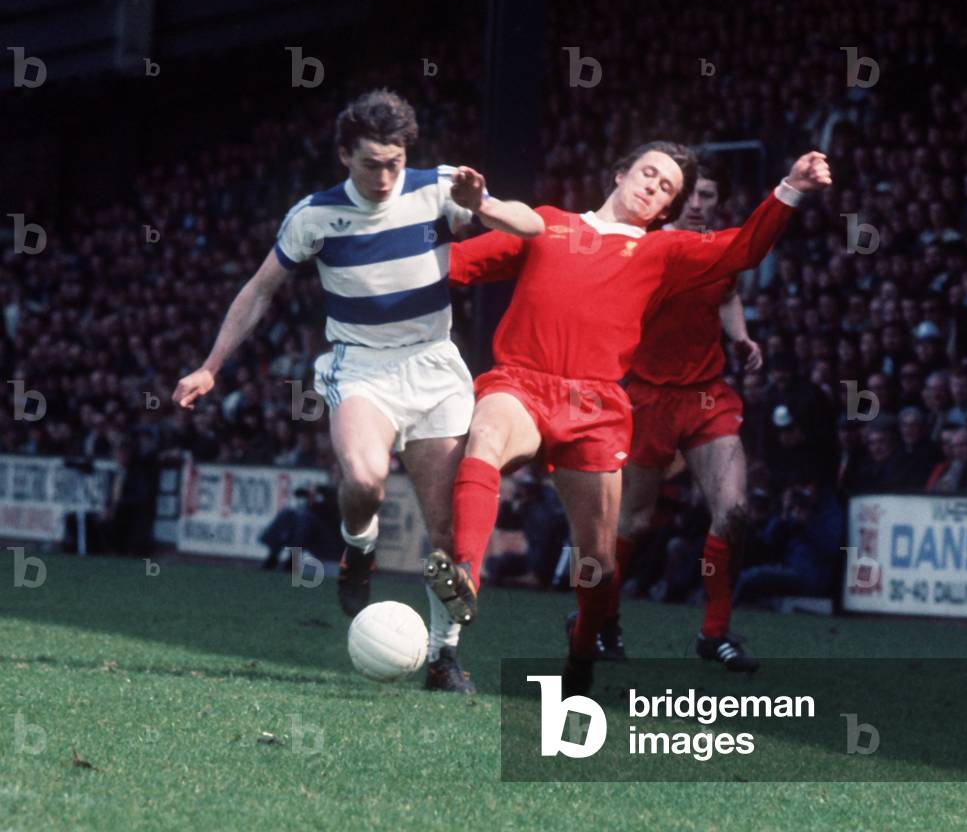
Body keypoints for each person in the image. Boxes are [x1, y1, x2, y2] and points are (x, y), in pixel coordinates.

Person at [172, 89, 543, 694]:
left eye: (394, 162)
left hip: (432, 366)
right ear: (345, 155)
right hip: (361, 366)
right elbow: (260, 290)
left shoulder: (440, 186)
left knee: (447, 532)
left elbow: (532, 228)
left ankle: (443, 657)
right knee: (366, 478)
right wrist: (212, 365)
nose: (384, 175)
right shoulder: (314, 217)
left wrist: (485, 208)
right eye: (371, 163)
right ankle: (358, 547)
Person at [440, 143, 830, 693]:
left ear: (667, 209)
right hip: (523, 381)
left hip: (597, 409)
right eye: (648, 173)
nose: (653, 186)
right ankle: (465, 578)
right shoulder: (546, 224)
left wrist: (789, 188)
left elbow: (743, 249)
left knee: (597, 561)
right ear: (621, 173)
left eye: (667, 187)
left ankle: (583, 650)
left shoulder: (663, 252)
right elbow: (455, 265)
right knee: (487, 431)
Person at [615, 152, 766, 672]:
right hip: (648, 397)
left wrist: (740, 337)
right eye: (694, 195)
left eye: (709, 197)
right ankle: (599, 620)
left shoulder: (718, 248)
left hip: (707, 394)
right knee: (633, 522)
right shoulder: (646, 247)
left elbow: (727, 295)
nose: (700, 204)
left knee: (736, 511)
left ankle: (715, 633)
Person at [733, 480, 842, 605]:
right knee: (739, 575)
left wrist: (807, 524)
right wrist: (784, 515)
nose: (803, 492)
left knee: (750, 578)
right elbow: (768, 540)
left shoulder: (829, 513)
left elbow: (831, 548)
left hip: (811, 576)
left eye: (806, 488)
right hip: (789, 568)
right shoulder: (797, 510)